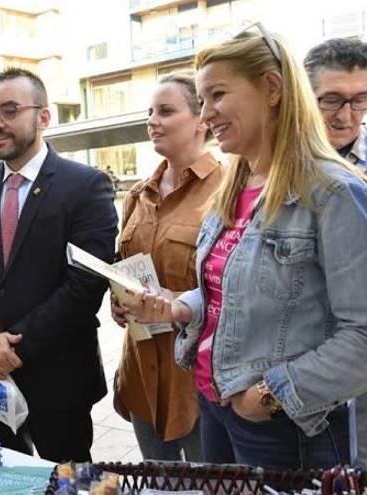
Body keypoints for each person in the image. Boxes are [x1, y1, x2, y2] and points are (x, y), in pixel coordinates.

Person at [124, 24, 367, 470]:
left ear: (272, 89)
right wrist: (178, 308)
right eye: (202, 101)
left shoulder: (334, 193)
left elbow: (362, 335)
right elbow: (231, 293)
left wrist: (270, 395)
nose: (206, 114)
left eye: (217, 95)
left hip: (286, 426)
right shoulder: (237, 187)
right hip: (216, 405)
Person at [0, 68, 118, 462]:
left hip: (58, 378)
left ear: (43, 116)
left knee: (72, 483)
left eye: (9, 110)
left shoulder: (86, 186)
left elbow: (84, 286)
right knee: (3, 478)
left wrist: (9, 349)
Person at [110, 73, 222, 462]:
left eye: (166, 111)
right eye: (150, 112)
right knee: (159, 482)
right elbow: (126, 267)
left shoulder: (229, 191)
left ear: (203, 119)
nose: (152, 121)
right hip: (144, 370)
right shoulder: (138, 196)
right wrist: (118, 299)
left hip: (198, 380)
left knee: (214, 486)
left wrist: (178, 301)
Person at [304, 36, 367, 468]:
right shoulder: (279, 168)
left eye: (361, 100)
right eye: (332, 101)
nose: (348, 116)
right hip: (301, 385)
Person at [305, 38, 367, 169]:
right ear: (304, 98)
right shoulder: (272, 156)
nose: (345, 117)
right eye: (332, 100)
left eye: (360, 100)